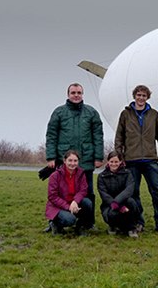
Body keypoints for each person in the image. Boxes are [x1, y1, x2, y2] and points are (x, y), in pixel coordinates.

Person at [45, 83, 104, 228]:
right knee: (60, 192)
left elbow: (98, 136)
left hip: (86, 160)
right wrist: (51, 157)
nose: (76, 95)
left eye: (79, 92)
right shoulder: (59, 112)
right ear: (68, 94)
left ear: (82, 94)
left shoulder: (91, 113)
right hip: (64, 160)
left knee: (88, 193)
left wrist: (98, 157)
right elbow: (51, 135)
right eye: (73, 92)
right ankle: (55, 219)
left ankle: (88, 222)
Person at [115, 84, 158, 233]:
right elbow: (119, 137)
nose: (141, 98)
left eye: (144, 95)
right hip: (131, 160)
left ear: (147, 97)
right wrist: (119, 156)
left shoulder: (154, 114)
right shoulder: (125, 114)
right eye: (138, 95)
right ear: (134, 96)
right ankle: (138, 222)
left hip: (150, 160)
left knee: (157, 191)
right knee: (134, 194)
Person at [45, 150, 93, 236]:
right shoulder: (55, 175)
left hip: (74, 203)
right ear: (64, 161)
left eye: (75, 161)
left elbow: (83, 190)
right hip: (58, 206)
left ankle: (80, 227)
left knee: (88, 203)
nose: (72, 163)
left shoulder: (81, 173)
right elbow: (52, 196)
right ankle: (55, 224)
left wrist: (75, 201)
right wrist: (68, 207)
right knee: (70, 220)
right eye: (70, 160)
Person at [97, 151, 140, 238]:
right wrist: (117, 206)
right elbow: (104, 194)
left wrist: (117, 202)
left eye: (116, 162)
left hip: (124, 202)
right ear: (108, 162)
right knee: (112, 214)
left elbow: (129, 189)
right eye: (111, 161)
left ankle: (131, 228)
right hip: (109, 205)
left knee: (132, 202)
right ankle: (113, 226)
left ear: (121, 162)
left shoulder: (128, 173)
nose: (114, 164)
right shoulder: (101, 176)